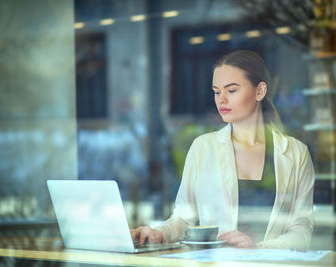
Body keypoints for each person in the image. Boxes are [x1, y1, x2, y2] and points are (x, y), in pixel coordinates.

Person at [131, 50, 315, 249]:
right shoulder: (203, 147)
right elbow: (184, 218)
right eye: (217, 92)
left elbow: (301, 230)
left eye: (232, 90)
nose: (222, 100)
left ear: (260, 91)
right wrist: (158, 233)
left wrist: (258, 249)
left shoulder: (296, 153)